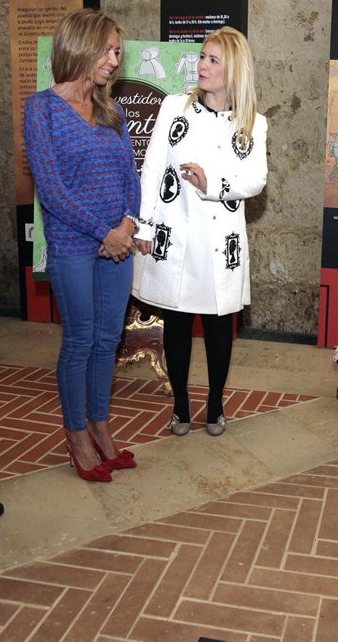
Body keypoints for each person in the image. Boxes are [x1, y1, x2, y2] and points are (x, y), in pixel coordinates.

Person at [132, 27, 267, 436]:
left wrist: (213, 184)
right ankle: (180, 407)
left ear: (233, 70)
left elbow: (255, 179)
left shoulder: (252, 123)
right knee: (176, 324)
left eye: (212, 59)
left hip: (219, 242)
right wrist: (144, 225)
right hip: (176, 237)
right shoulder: (175, 107)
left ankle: (216, 405)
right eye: (202, 56)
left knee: (218, 326)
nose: (202, 65)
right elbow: (152, 167)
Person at [23, 9, 140, 482]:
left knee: (108, 341)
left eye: (117, 52)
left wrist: (126, 226)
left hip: (118, 245)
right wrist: (104, 233)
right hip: (74, 245)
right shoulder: (41, 109)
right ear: (80, 46)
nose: (114, 60)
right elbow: (51, 191)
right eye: (107, 50)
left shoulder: (113, 111)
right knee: (80, 341)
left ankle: (100, 427)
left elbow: (131, 177)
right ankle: (75, 435)